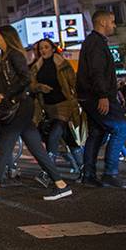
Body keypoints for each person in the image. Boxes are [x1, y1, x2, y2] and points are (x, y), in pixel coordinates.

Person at [0, 26, 72, 204]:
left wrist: (6, 94)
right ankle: (61, 184)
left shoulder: (14, 55)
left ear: (6, 38)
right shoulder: (5, 57)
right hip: (19, 107)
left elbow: (25, 79)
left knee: (3, 148)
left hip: (20, 106)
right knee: (37, 149)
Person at [77, 10, 126, 189]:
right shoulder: (96, 43)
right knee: (121, 128)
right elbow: (97, 71)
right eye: (112, 22)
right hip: (96, 96)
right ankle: (110, 172)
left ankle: (89, 175)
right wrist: (103, 95)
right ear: (102, 22)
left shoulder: (94, 42)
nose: (114, 25)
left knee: (97, 132)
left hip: (90, 95)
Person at [29, 39, 82, 186]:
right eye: (41, 48)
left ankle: (48, 172)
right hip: (47, 107)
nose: (43, 50)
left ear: (53, 48)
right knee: (68, 138)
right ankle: (84, 169)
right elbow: (31, 86)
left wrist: (78, 101)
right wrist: (39, 87)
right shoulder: (36, 67)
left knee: (54, 135)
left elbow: (74, 83)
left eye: (46, 47)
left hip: (64, 104)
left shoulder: (63, 64)